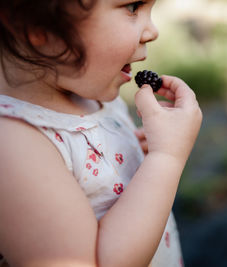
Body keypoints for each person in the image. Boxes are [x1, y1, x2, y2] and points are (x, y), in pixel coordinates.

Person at [0, 0, 202, 266]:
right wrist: (166, 158)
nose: (153, 31)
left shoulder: (95, 97)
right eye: (133, 7)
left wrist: (130, 155)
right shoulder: (13, 147)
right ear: (33, 27)